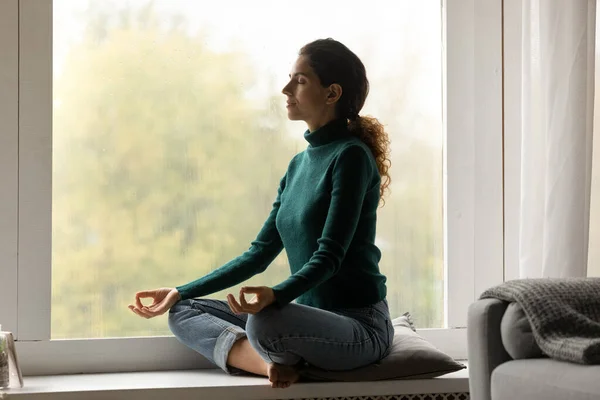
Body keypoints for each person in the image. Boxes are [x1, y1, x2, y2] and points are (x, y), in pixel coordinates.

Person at [128, 38, 393, 389]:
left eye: (300, 80)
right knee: (184, 311)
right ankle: (270, 365)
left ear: (332, 93)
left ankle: (277, 357)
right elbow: (258, 255)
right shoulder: (298, 165)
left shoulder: (351, 157)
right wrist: (178, 291)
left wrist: (277, 295)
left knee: (265, 322)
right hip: (313, 319)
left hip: (359, 326)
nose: (286, 89)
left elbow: (329, 257)